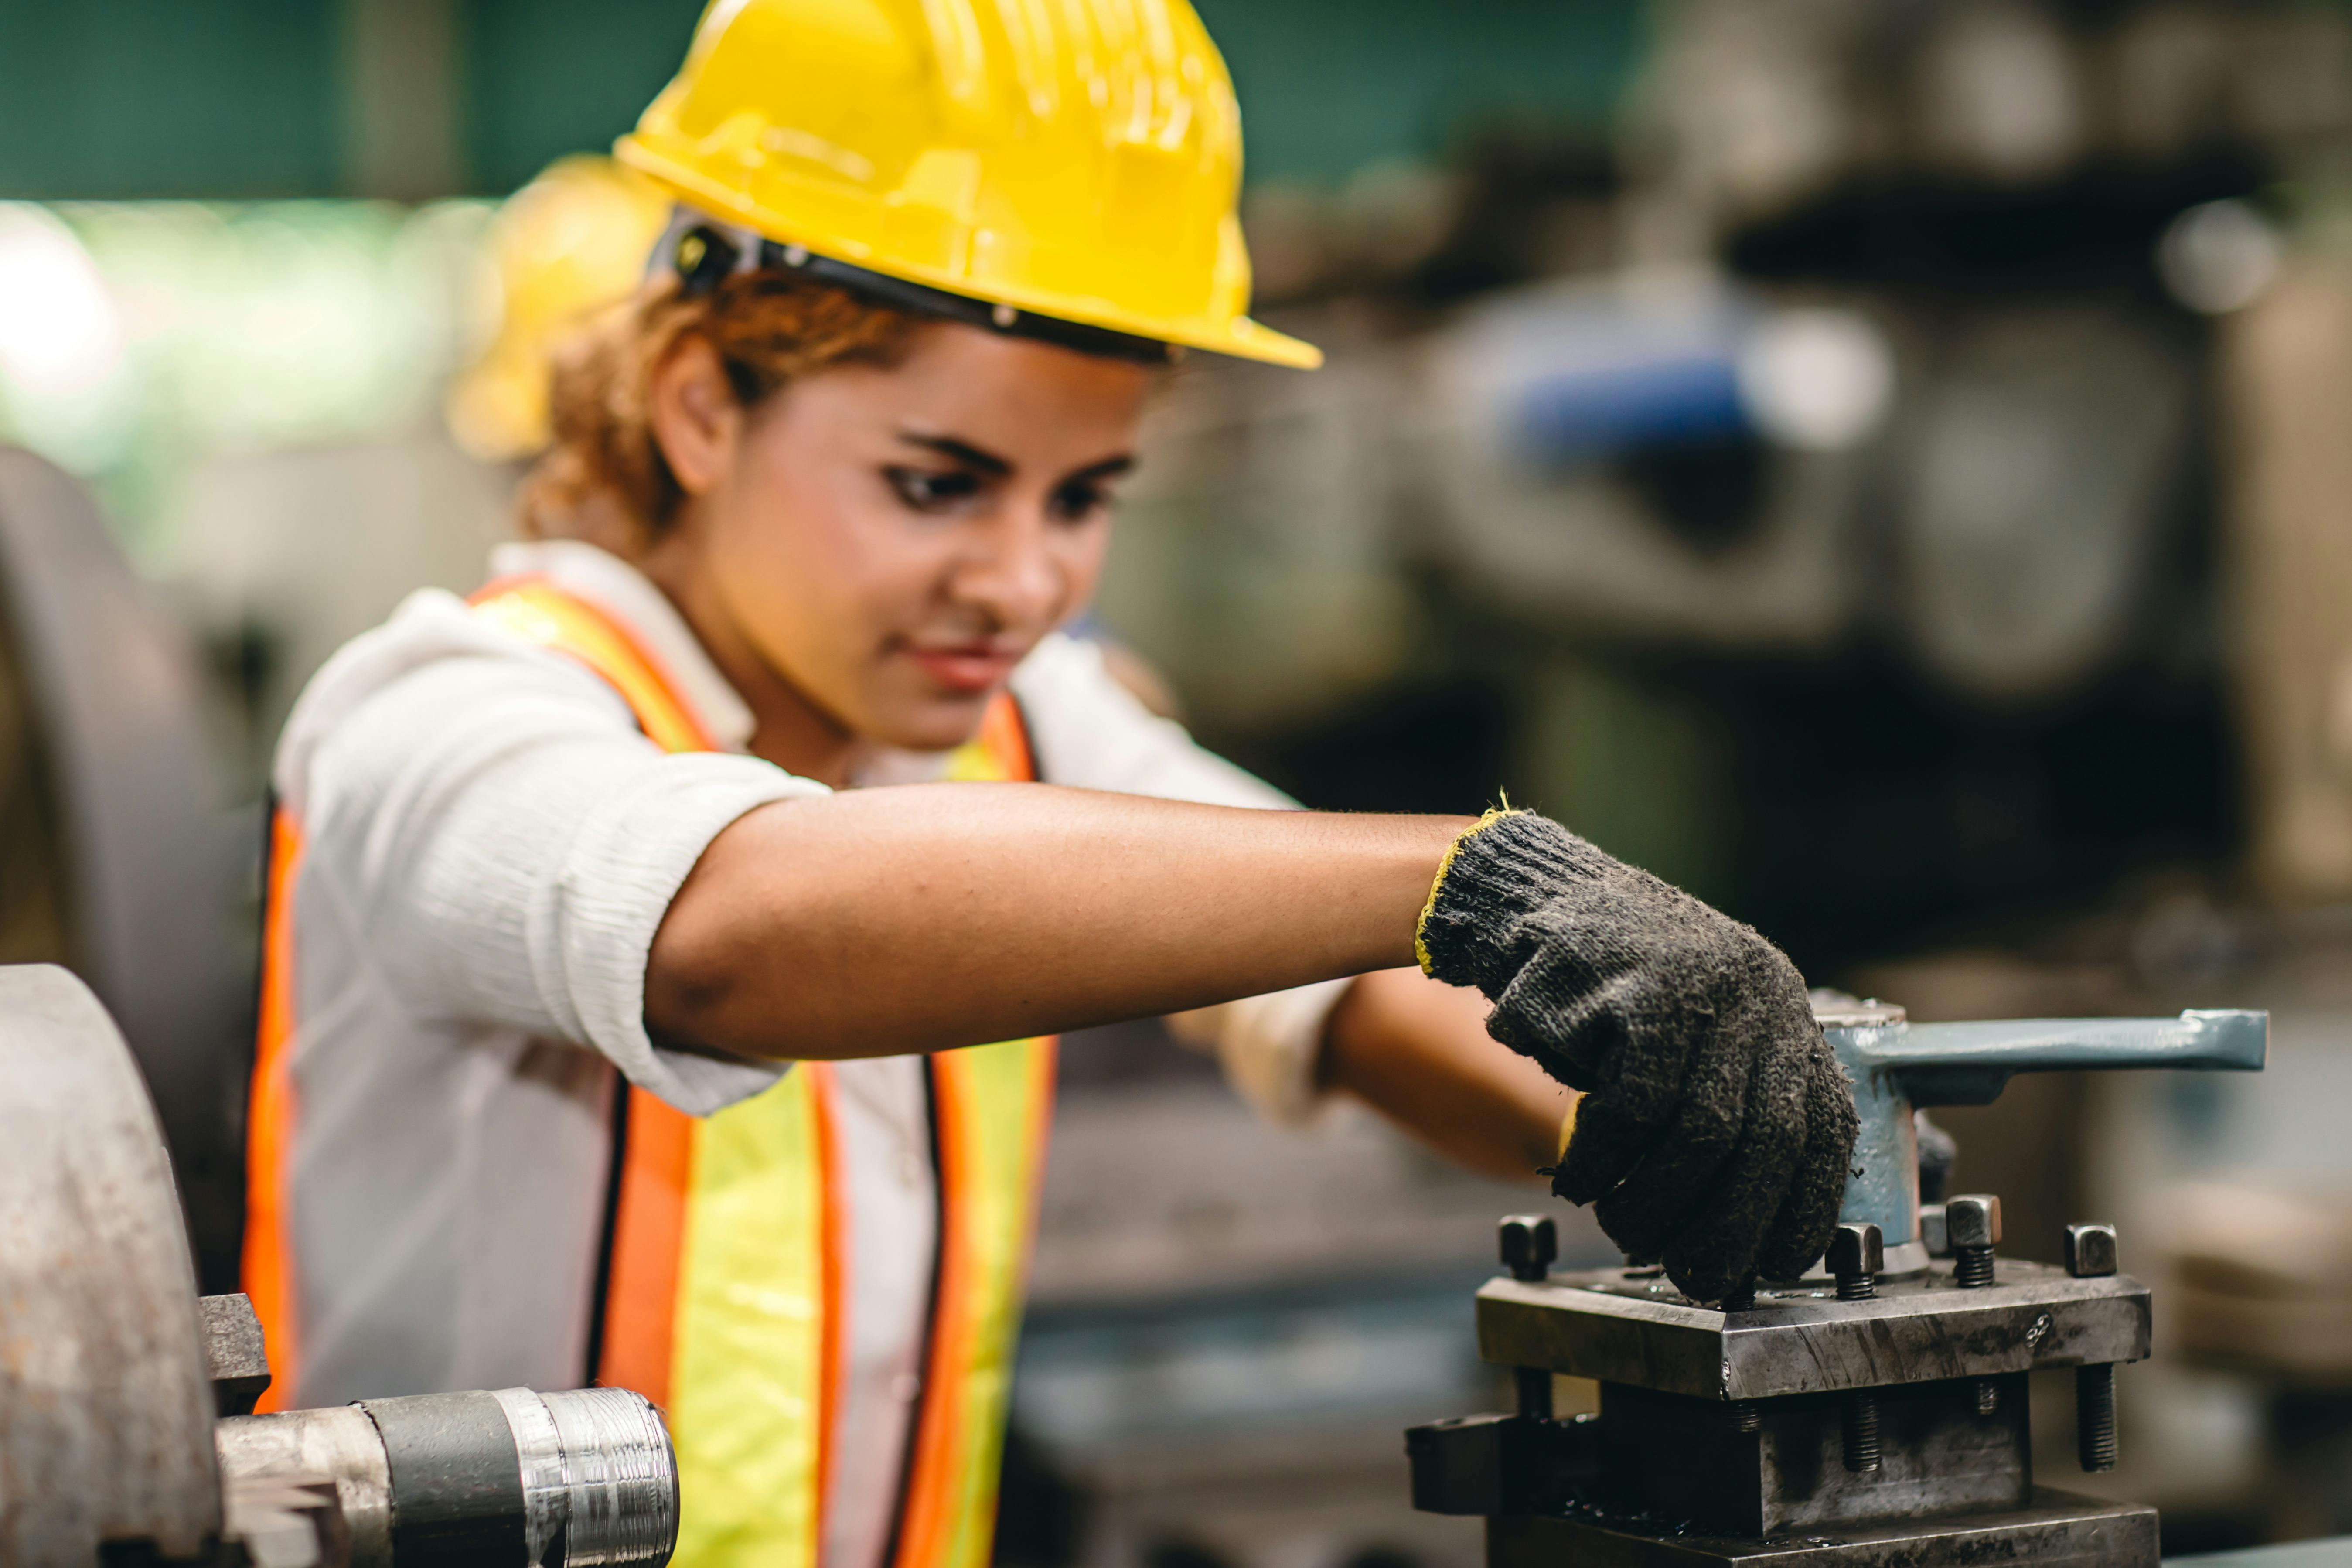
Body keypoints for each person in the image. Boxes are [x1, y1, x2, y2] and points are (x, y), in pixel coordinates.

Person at [242, 3, 1859, 1565]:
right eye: (936, 483)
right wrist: (1479, 880)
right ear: (699, 407)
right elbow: (723, 921)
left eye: (1083, 496)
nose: (1022, 582)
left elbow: (1349, 986)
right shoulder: (439, 713)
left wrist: (1698, 1103)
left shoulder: (1019, 719)